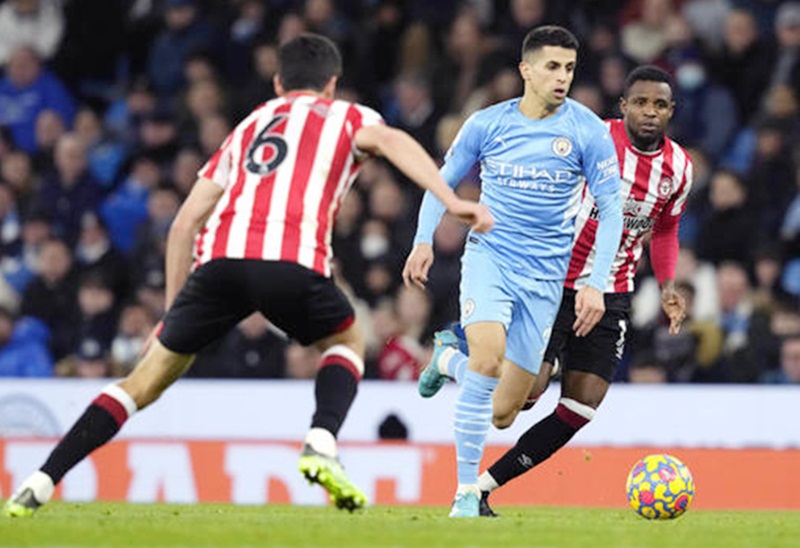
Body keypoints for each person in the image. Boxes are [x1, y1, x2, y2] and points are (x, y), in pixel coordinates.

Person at [3, 33, 492, 518]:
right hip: (290, 261)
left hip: (220, 263)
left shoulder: (250, 125)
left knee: (142, 383)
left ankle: (40, 480)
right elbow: (390, 140)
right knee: (347, 342)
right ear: (331, 83)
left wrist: (172, 314)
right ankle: (321, 441)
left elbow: (184, 224)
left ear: (278, 83)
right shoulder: (345, 115)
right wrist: (449, 199)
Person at [402, 26, 623, 518]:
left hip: (545, 279)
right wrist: (422, 241)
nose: (562, 77)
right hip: (491, 259)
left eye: (569, 68)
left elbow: (611, 211)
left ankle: (447, 359)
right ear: (526, 70)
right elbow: (441, 182)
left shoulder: (588, 131)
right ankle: (465, 493)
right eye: (552, 66)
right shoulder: (486, 124)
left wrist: (595, 283)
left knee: (504, 412)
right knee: (486, 361)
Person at [477, 65, 693, 516]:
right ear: (624, 106)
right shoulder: (590, 138)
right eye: (640, 102)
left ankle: (481, 489)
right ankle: (461, 354)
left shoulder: (678, 169)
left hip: (612, 293)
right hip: (552, 282)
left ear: (671, 111)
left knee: (581, 407)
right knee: (517, 404)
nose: (649, 112)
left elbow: (665, 230)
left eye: (659, 104)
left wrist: (668, 285)